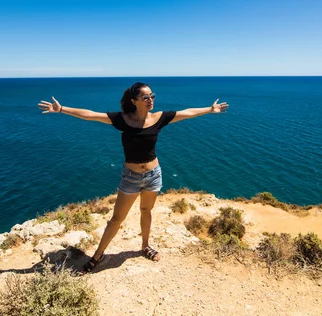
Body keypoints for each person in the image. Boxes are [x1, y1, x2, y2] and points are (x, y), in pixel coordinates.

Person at [38, 82, 228, 273]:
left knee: (146, 211)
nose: (151, 100)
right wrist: (61, 109)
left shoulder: (159, 118)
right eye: (145, 97)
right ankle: (98, 255)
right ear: (134, 101)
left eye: (152, 96)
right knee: (116, 219)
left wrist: (210, 110)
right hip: (131, 177)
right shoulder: (122, 119)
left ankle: (145, 246)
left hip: (154, 175)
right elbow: (90, 115)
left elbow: (187, 113)